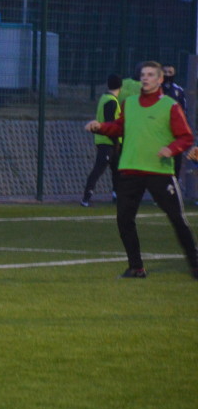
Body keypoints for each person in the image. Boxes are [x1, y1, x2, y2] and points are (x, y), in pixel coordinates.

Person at [85, 61, 198, 279]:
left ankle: (195, 264)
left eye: (150, 74)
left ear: (160, 79)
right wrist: (100, 127)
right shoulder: (129, 104)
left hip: (159, 172)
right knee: (124, 219)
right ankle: (136, 267)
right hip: (130, 170)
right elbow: (119, 127)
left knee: (177, 219)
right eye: (143, 74)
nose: (145, 78)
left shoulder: (170, 106)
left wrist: (171, 149)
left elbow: (185, 137)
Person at [81, 74, 122, 207]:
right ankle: (86, 198)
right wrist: (116, 142)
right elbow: (110, 124)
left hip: (106, 141)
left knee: (117, 170)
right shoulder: (112, 101)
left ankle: (116, 195)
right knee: (98, 169)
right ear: (120, 87)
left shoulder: (104, 98)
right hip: (108, 142)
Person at [161, 65, 188, 180]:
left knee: (176, 157)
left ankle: (174, 179)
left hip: (174, 130)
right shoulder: (156, 89)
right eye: (165, 72)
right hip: (159, 130)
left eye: (170, 72)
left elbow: (184, 110)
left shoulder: (178, 90)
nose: (167, 74)